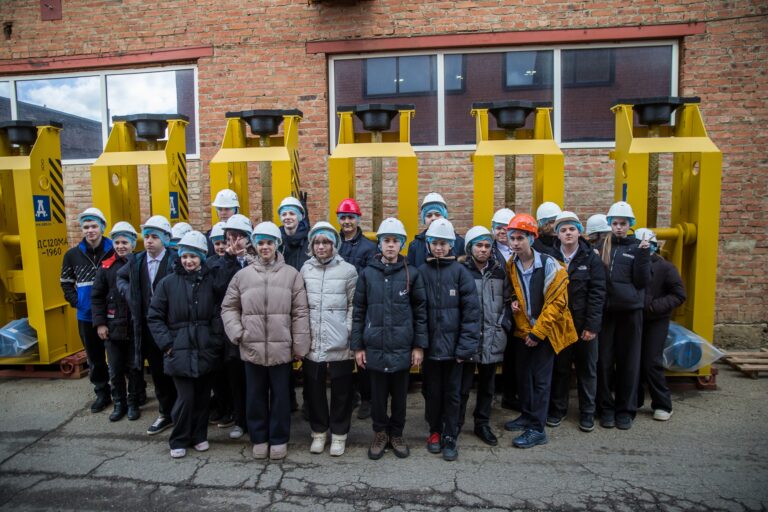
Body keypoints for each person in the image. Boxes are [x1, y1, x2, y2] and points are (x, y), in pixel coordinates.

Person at [221, 221, 310, 461]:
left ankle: (279, 438)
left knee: (281, 396)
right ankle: (259, 438)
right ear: (255, 246)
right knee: (255, 395)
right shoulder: (243, 275)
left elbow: (300, 312)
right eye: (260, 243)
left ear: (277, 245)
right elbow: (229, 307)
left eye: (269, 242)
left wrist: (299, 346)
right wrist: (238, 333)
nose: (265, 247)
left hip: (282, 348)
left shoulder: (292, 275)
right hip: (252, 347)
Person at [351, 218, 428, 460]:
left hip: (402, 347)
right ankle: (380, 433)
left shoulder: (412, 274)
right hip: (374, 346)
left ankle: (396, 433)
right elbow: (359, 311)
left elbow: (420, 312)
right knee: (377, 395)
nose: (391, 246)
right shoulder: (366, 274)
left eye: (396, 241)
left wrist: (418, 346)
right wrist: (358, 347)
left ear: (402, 244)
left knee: (400, 396)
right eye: (387, 241)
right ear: (380, 244)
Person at [148, 231, 227, 459]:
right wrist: (167, 344)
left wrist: (214, 340)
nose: (188, 261)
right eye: (184, 257)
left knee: (203, 396)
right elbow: (154, 316)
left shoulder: (210, 282)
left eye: (193, 257)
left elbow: (217, 313)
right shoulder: (168, 283)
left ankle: (199, 435)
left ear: (201, 257)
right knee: (186, 397)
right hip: (179, 350)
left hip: (205, 349)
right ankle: (179, 438)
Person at [503, 213, 578, 449]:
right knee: (524, 377)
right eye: (512, 238)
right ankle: (527, 415)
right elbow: (516, 291)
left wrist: (538, 334)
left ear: (532, 238)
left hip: (545, 333)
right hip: (525, 331)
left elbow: (557, 304)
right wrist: (513, 301)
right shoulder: (511, 264)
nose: (515, 243)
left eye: (520, 238)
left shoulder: (551, 266)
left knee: (541, 380)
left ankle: (537, 428)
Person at [419, 218, 480, 462]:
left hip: (455, 351)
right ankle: (434, 431)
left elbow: (471, 313)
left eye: (444, 243)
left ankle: (450, 435)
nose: (440, 248)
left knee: (454, 394)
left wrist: (465, 347)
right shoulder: (420, 273)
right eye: (435, 243)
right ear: (429, 244)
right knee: (432, 392)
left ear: (451, 245)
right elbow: (418, 312)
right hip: (431, 350)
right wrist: (420, 345)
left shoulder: (461, 273)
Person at [300, 222, 358, 456]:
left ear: (335, 245)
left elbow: (354, 304)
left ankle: (339, 434)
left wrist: (347, 331)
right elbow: (300, 305)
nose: (321, 247)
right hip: (313, 339)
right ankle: (318, 432)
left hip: (339, 340)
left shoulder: (348, 271)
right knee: (313, 389)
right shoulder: (305, 270)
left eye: (326, 242)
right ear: (312, 246)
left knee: (342, 390)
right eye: (317, 242)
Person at [117, 215, 178, 436]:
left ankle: (180, 413)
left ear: (165, 239)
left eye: (154, 237)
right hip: (147, 327)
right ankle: (165, 412)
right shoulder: (137, 260)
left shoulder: (175, 259)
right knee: (157, 372)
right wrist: (130, 295)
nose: (149, 241)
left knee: (174, 371)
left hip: (171, 327)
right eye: (147, 236)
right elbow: (120, 278)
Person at [547, 212, 606, 433]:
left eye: (571, 229)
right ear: (558, 234)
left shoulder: (591, 258)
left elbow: (598, 293)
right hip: (560, 325)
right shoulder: (550, 257)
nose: (568, 233)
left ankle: (587, 413)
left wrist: (592, 326)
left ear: (579, 232)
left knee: (587, 370)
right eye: (563, 230)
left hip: (584, 326)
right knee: (560, 369)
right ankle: (558, 410)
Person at [596, 201, 651, 430]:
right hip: (606, 313)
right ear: (609, 224)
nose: (619, 227)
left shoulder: (637, 247)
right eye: (615, 223)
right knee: (604, 362)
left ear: (630, 225)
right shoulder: (601, 246)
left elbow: (643, 281)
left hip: (630, 313)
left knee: (629, 363)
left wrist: (644, 254)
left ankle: (625, 410)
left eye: (623, 223)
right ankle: (606, 409)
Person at [458, 226, 511, 447]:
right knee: (461, 386)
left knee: (487, 386)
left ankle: (482, 423)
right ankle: (455, 423)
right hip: (469, 338)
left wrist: (503, 326)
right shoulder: (460, 271)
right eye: (478, 245)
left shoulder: (500, 271)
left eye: (487, 246)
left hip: (492, 337)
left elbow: (508, 301)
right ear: (470, 248)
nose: (483, 250)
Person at [61, 207, 114, 413]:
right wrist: (79, 302)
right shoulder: (72, 255)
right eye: (86, 227)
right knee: (95, 357)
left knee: (120, 356)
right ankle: (102, 393)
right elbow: (66, 283)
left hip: (112, 313)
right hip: (86, 315)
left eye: (94, 226)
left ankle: (128, 393)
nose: (90, 230)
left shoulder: (113, 249)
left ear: (102, 227)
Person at [634, 228, 686, 422]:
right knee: (632, 361)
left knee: (651, 362)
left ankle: (663, 404)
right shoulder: (632, 263)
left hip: (656, 321)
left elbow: (679, 295)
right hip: (635, 319)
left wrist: (654, 307)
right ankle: (634, 400)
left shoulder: (666, 268)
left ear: (655, 246)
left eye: (649, 246)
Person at [91, 221, 141, 422]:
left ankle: (133, 403)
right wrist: (100, 323)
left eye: (125, 242)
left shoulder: (139, 264)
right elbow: (97, 297)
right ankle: (119, 402)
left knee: (135, 367)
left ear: (132, 244)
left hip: (133, 327)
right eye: (117, 242)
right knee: (115, 368)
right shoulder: (106, 267)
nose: (121, 246)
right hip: (112, 328)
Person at [211, 214, 254, 439]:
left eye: (239, 237)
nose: (235, 242)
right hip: (231, 328)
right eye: (230, 237)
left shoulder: (257, 258)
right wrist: (229, 260)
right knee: (235, 377)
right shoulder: (218, 263)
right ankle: (240, 420)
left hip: (255, 325)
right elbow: (218, 288)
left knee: (255, 379)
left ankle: (256, 418)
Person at [336, 197, 377, 420]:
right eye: (343, 217)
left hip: (362, 305)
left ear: (358, 219)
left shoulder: (369, 248)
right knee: (343, 356)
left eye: (351, 217)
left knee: (362, 355)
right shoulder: (334, 244)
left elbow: (370, 277)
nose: (347, 221)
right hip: (338, 306)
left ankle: (367, 398)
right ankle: (349, 395)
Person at [491, 207, 519, 412]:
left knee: (514, 356)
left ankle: (510, 395)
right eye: (498, 228)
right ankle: (490, 395)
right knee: (492, 354)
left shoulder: (521, 249)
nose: (502, 232)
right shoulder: (486, 249)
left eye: (506, 228)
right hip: (495, 309)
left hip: (516, 310)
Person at [407, 193, 465, 268]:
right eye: (429, 215)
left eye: (437, 214)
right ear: (423, 219)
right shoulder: (415, 245)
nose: (433, 218)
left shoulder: (459, 243)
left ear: (445, 216)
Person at [207, 189, 240, 255]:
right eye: (219, 209)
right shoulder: (211, 234)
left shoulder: (244, 232)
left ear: (236, 210)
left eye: (227, 209)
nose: (223, 213)